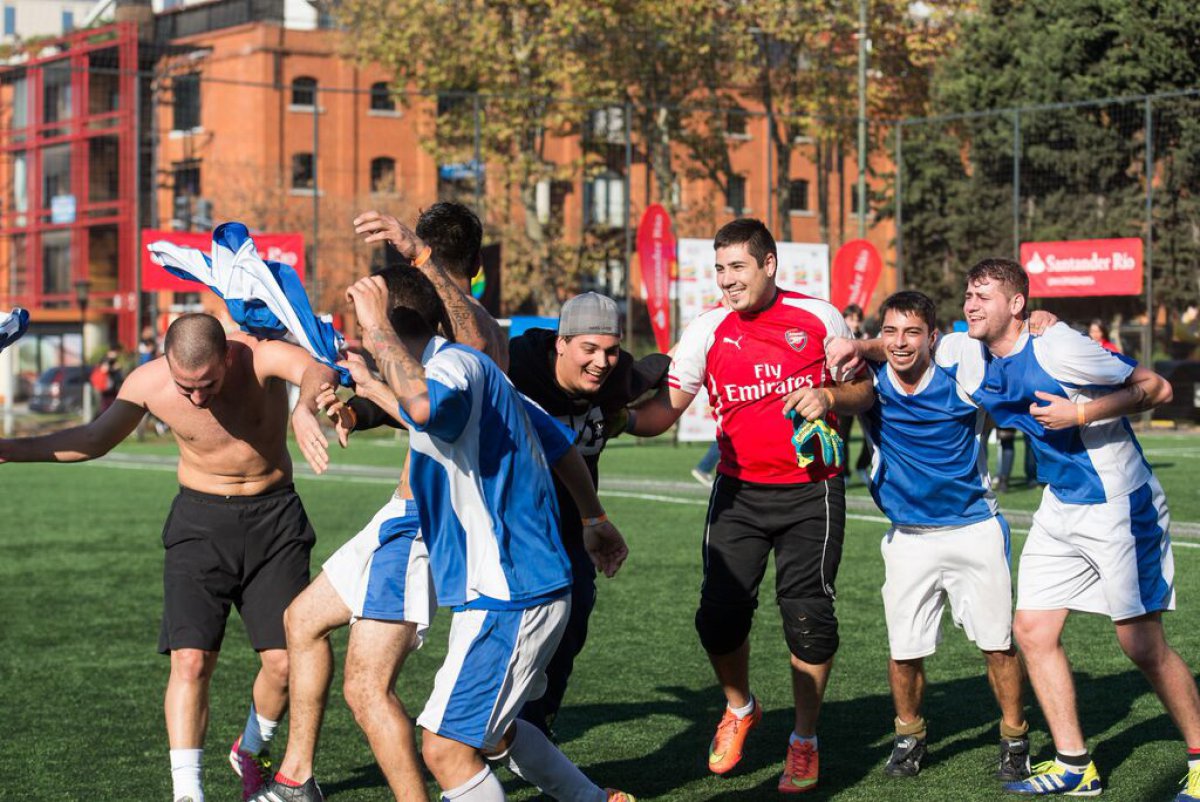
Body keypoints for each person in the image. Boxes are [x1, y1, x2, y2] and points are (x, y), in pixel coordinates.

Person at [838, 258, 1199, 799]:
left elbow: (1157, 388)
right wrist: (856, 347)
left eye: (984, 296)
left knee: (1141, 645)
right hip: (1060, 503)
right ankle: (1075, 764)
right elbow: (900, 343)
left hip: (1118, 500)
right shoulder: (965, 351)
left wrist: (1083, 414)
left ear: (1017, 304)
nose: (971, 304)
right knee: (1031, 632)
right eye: (967, 295)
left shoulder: (1059, 346)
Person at [0, 313, 338, 802]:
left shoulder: (258, 357)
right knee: (190, 660)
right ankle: (188, 792)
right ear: (168, 365)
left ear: (226, 357)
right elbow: (94, 439)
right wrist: (10, 449)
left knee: (286, 665)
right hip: (199, 524)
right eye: (187, 388)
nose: (198, 398)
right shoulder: (148, 382)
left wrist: (305, 406)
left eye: (207, 384)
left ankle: (251, 748)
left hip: (275, 519)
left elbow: (317, 369)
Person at [343, 268, 636, 802]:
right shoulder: (478, 372)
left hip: (514, 593)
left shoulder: (453, 369)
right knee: (493, 732)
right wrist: (594, 521)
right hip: (508, 587)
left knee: (445, 749)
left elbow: (426, 407)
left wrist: (372, 324)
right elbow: (557, 444)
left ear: (383, 323)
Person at [255, 202, 506, 802]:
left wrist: (369, 382)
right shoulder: (425, 323)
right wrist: (356, 405)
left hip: (426, 525)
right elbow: (405, 396)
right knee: (301, 620)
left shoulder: (474, 330)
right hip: (398, 516)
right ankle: (296, 780)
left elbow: (442, 407)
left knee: (367, 691)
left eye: (419, 258)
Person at [627, 218, 874, 793]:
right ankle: (740, 708)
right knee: (718, 616)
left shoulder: (819, 317)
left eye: (737, 267)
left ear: (769, 264)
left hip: (813, 491)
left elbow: (864, 393)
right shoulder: (708, 328)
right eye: (719, 269)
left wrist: (831, 394)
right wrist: (614, 422)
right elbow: (666, 409)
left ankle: (804, 742)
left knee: (808, 620)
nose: (726, 280)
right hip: (737, 493)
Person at [834, 290, 1031, 780]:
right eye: (891, 332)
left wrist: (1040, 319)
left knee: (997, 644)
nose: (900, 343)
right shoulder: (870, 386)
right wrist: (859, 350)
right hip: (909, 537)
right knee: (904, 650)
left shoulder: (960, 373)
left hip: (973, 529)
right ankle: (909, 736)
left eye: (912, 332)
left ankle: (1014, 738)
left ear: (934, 338)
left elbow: (1006, 340)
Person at [507, 291, 669, 737]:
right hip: (510, 527)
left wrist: (623, 417)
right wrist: (360, 410)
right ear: (560, 344)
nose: (602, 361)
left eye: (611, 350)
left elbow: (659, 369)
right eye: (589, 349)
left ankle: (538, 726)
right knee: (510, 634)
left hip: (576, 526)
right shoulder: (512, 370)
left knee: (572, 619)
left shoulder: (615, 380)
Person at [837, 304, 873, 486]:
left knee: (871, 433)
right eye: (851, 319)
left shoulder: (866, 339)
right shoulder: (838, 339)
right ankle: (843, 472)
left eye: (857, 319)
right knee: (842, 434)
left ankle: (862, 465)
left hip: (864, 391)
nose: (855, 323)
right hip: (845, 391)